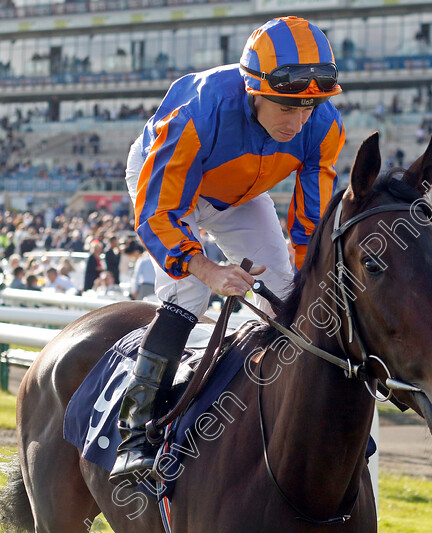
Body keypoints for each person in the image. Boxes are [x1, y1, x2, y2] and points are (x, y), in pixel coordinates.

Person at [110, 16, 345, 483]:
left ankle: (288, 414)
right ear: (254, 89)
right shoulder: (196, 112)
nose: (298, 122)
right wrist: (206, 269)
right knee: (187, 297)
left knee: (284, 290)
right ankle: (134, 434)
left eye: (309, 107)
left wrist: (313, 286)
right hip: (168, 185)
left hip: (237, 193)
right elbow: (158, 216)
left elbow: (309, 227)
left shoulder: (323, 127)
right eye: (286, 107)